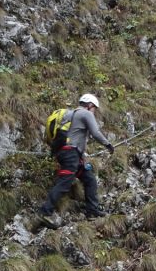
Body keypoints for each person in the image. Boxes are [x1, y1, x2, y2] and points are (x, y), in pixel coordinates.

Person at [38, 93, 115, 228]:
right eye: (94, 108)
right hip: (70, 154)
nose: (94, 112)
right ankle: (45, 211)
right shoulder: (86, 114)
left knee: (89, 179)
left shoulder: (71, 114)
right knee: (65, 182)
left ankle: (92, 210)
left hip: (69, 154)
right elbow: (96, 133)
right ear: (90, 105)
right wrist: (108, 144)